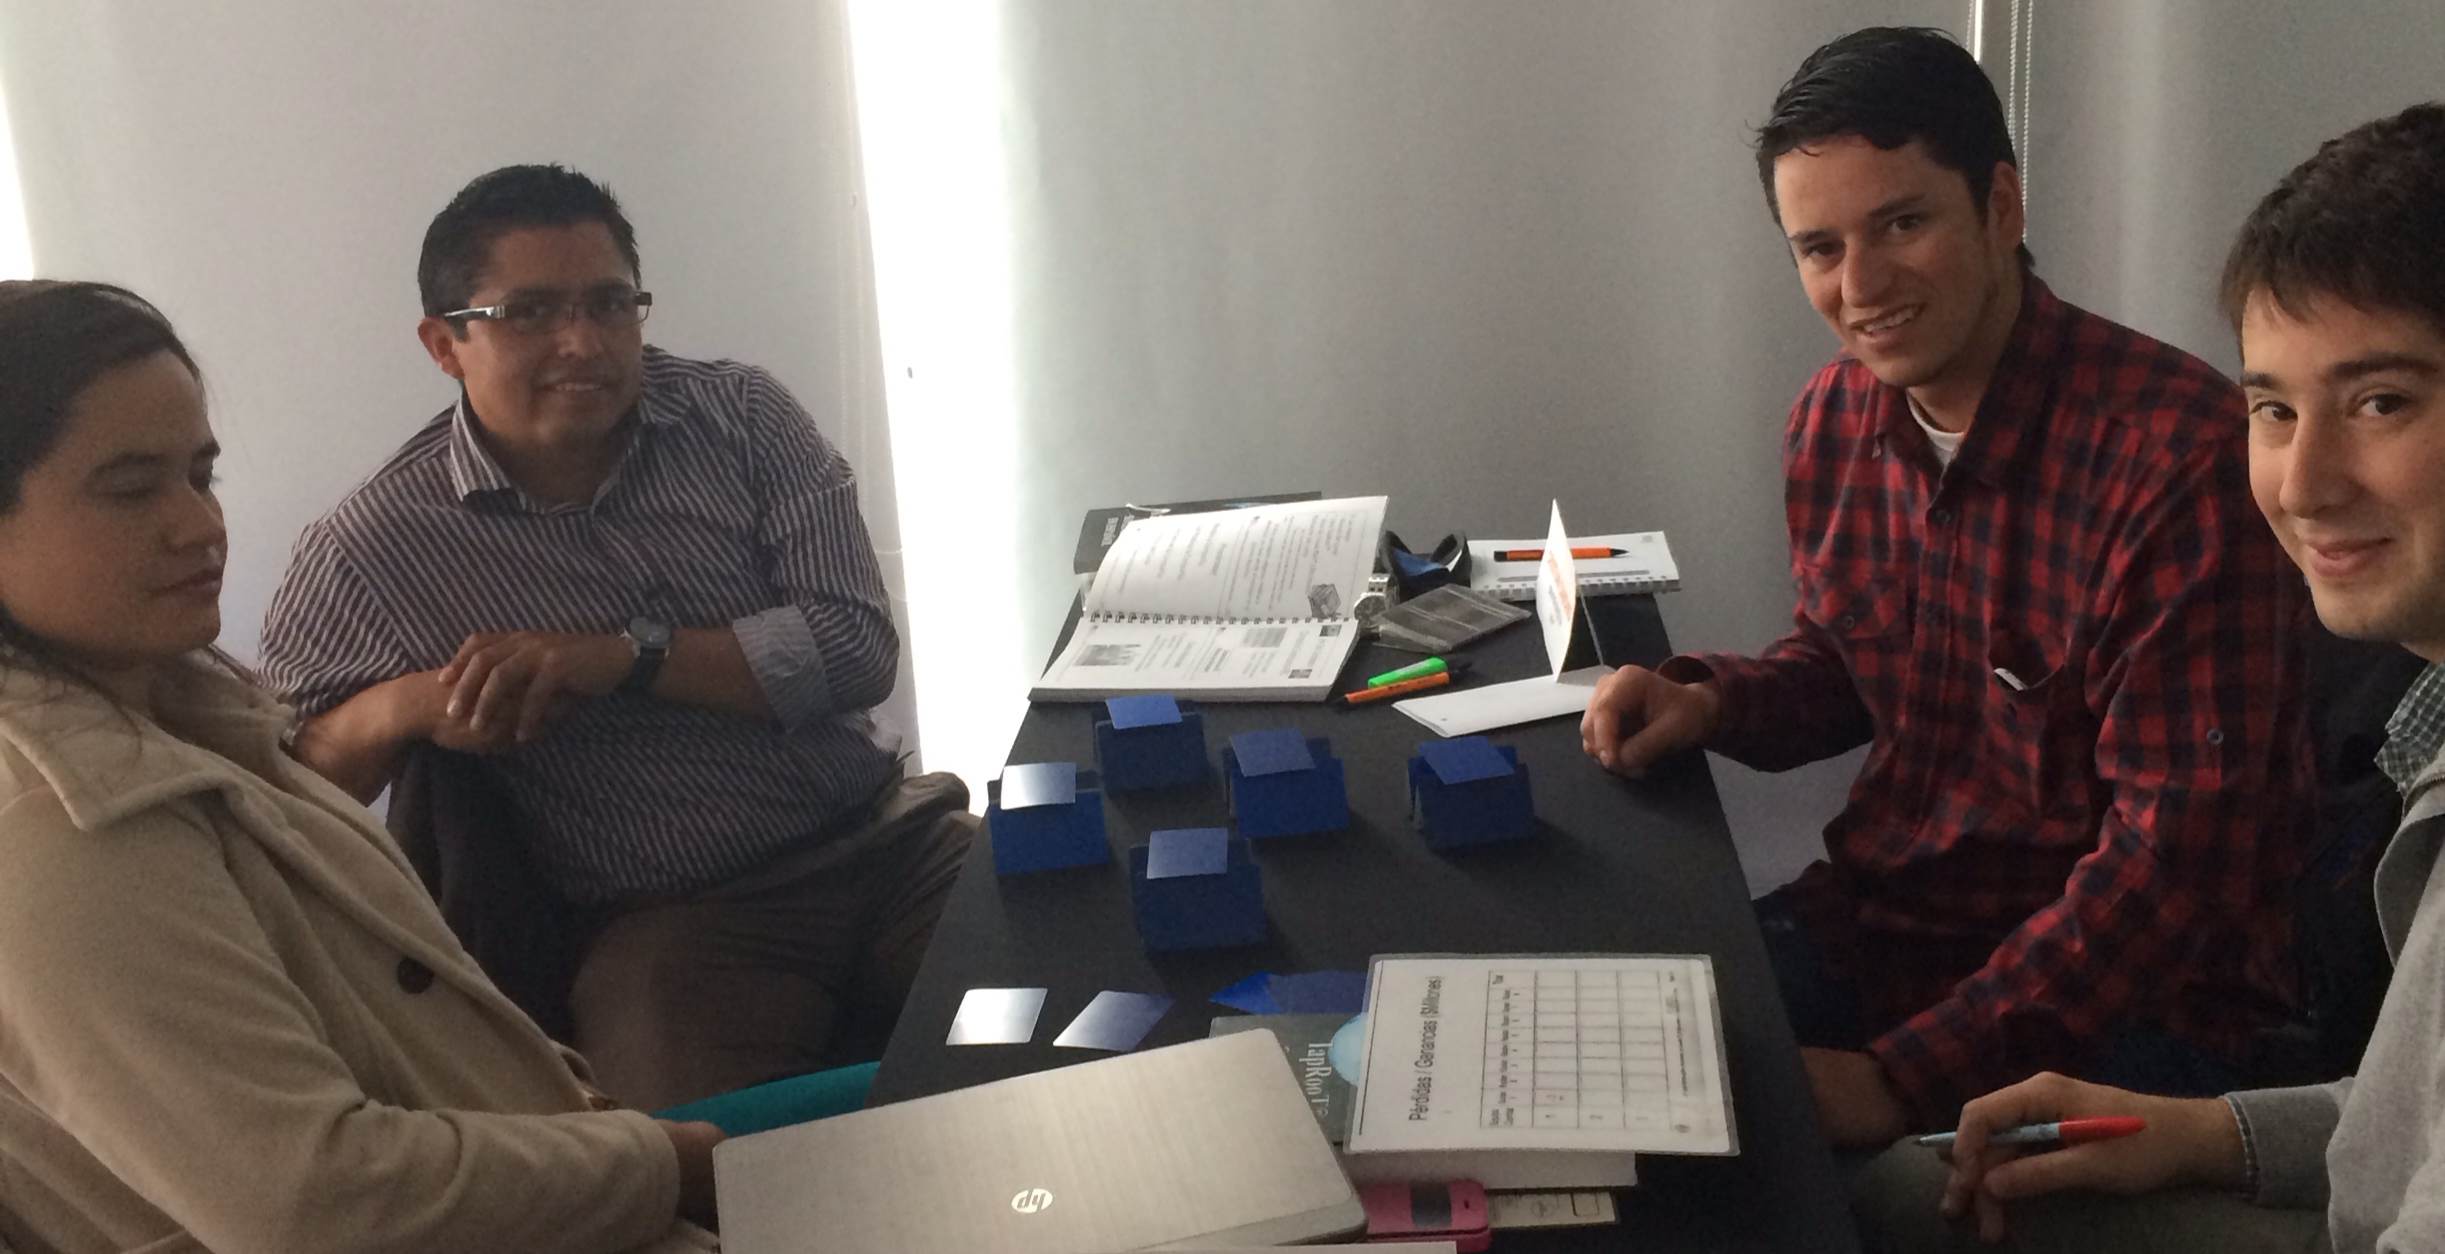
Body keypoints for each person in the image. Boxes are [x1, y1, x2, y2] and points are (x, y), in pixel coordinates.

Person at [1580, 26, 2314, 1145]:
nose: (1859, 287)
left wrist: (1900, 1081)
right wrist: (1711, 702)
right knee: (1607, 1052)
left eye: (1901, 225)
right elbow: (1852, 665)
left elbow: (2171, 870)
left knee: (1769, 1187)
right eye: (1819, 248)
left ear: (2000, 208)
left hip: (2131, 1009)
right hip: (1893, 929)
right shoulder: (1833, 419)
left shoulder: (2180, 463)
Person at [0, 280, 720, 1253]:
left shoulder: (193, 717)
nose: (199, 526)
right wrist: (659, 1162)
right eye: (131, 489)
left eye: (201, 476)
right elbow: (314, 1202)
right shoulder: (59, 828)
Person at [1851, 100, 2445, 1254]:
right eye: (2273, 408)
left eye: (2381, 402)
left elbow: (2175, 855)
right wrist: (2199, 1134)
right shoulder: (2422, 709)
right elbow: (2406, 1116)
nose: (2303, 483)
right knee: (1898, 1192)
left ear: (2000, 210)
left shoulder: (2157, 457)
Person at [258, 164, 973, 1110]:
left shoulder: (742, 419)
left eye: (608, 304)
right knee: (686, 1162)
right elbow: (278, 797)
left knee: (1103, 1005)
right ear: (444, 344)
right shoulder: (371, 548)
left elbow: (855, 649)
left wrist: (621, 660)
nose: (583, 343)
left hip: (887, 842)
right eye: (530, 313)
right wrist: (403, 707)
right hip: (677, 924)